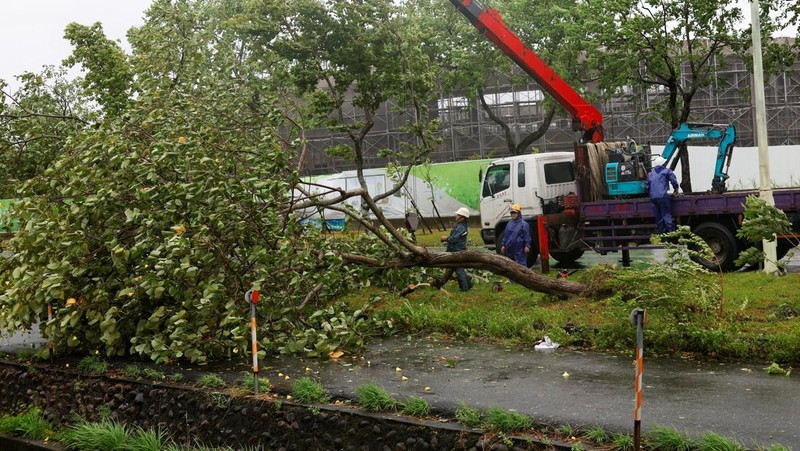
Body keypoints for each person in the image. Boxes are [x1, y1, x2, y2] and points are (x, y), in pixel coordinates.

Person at [434, 207, 472, 292]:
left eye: (458, 214)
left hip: (457, 251)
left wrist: (445, 238)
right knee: (458, 268)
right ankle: (468, 285)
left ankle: (464, 289)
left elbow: (454, 239)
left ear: (462, 216)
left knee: (459, 270)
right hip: (455, 250)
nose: (456, 215)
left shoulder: (461, 227)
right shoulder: (460, 225)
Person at [646, 156, 680, 233]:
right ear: (663, 163)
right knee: (666, 214)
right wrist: (676, 189)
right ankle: (671, 233)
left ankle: (662, 234)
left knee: (658, 217)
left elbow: (647, 186)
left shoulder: (650, 174)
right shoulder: (666, 171)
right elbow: (673, 180)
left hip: (653, 198)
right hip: (663, 196)